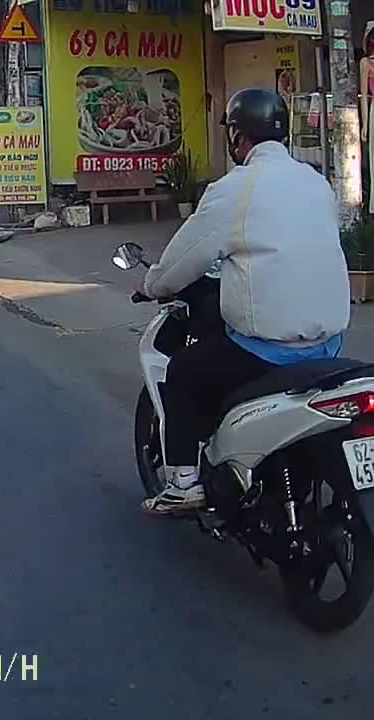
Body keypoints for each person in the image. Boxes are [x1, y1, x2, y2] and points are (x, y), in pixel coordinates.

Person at [137, 88, 350, 515]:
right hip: (329, 344)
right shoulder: (316, 182)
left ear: (237, 135)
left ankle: (184, 483)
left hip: (268, 352)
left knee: (183, 372)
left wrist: (154, 285)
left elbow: (184, 258)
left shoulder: (234, 189)